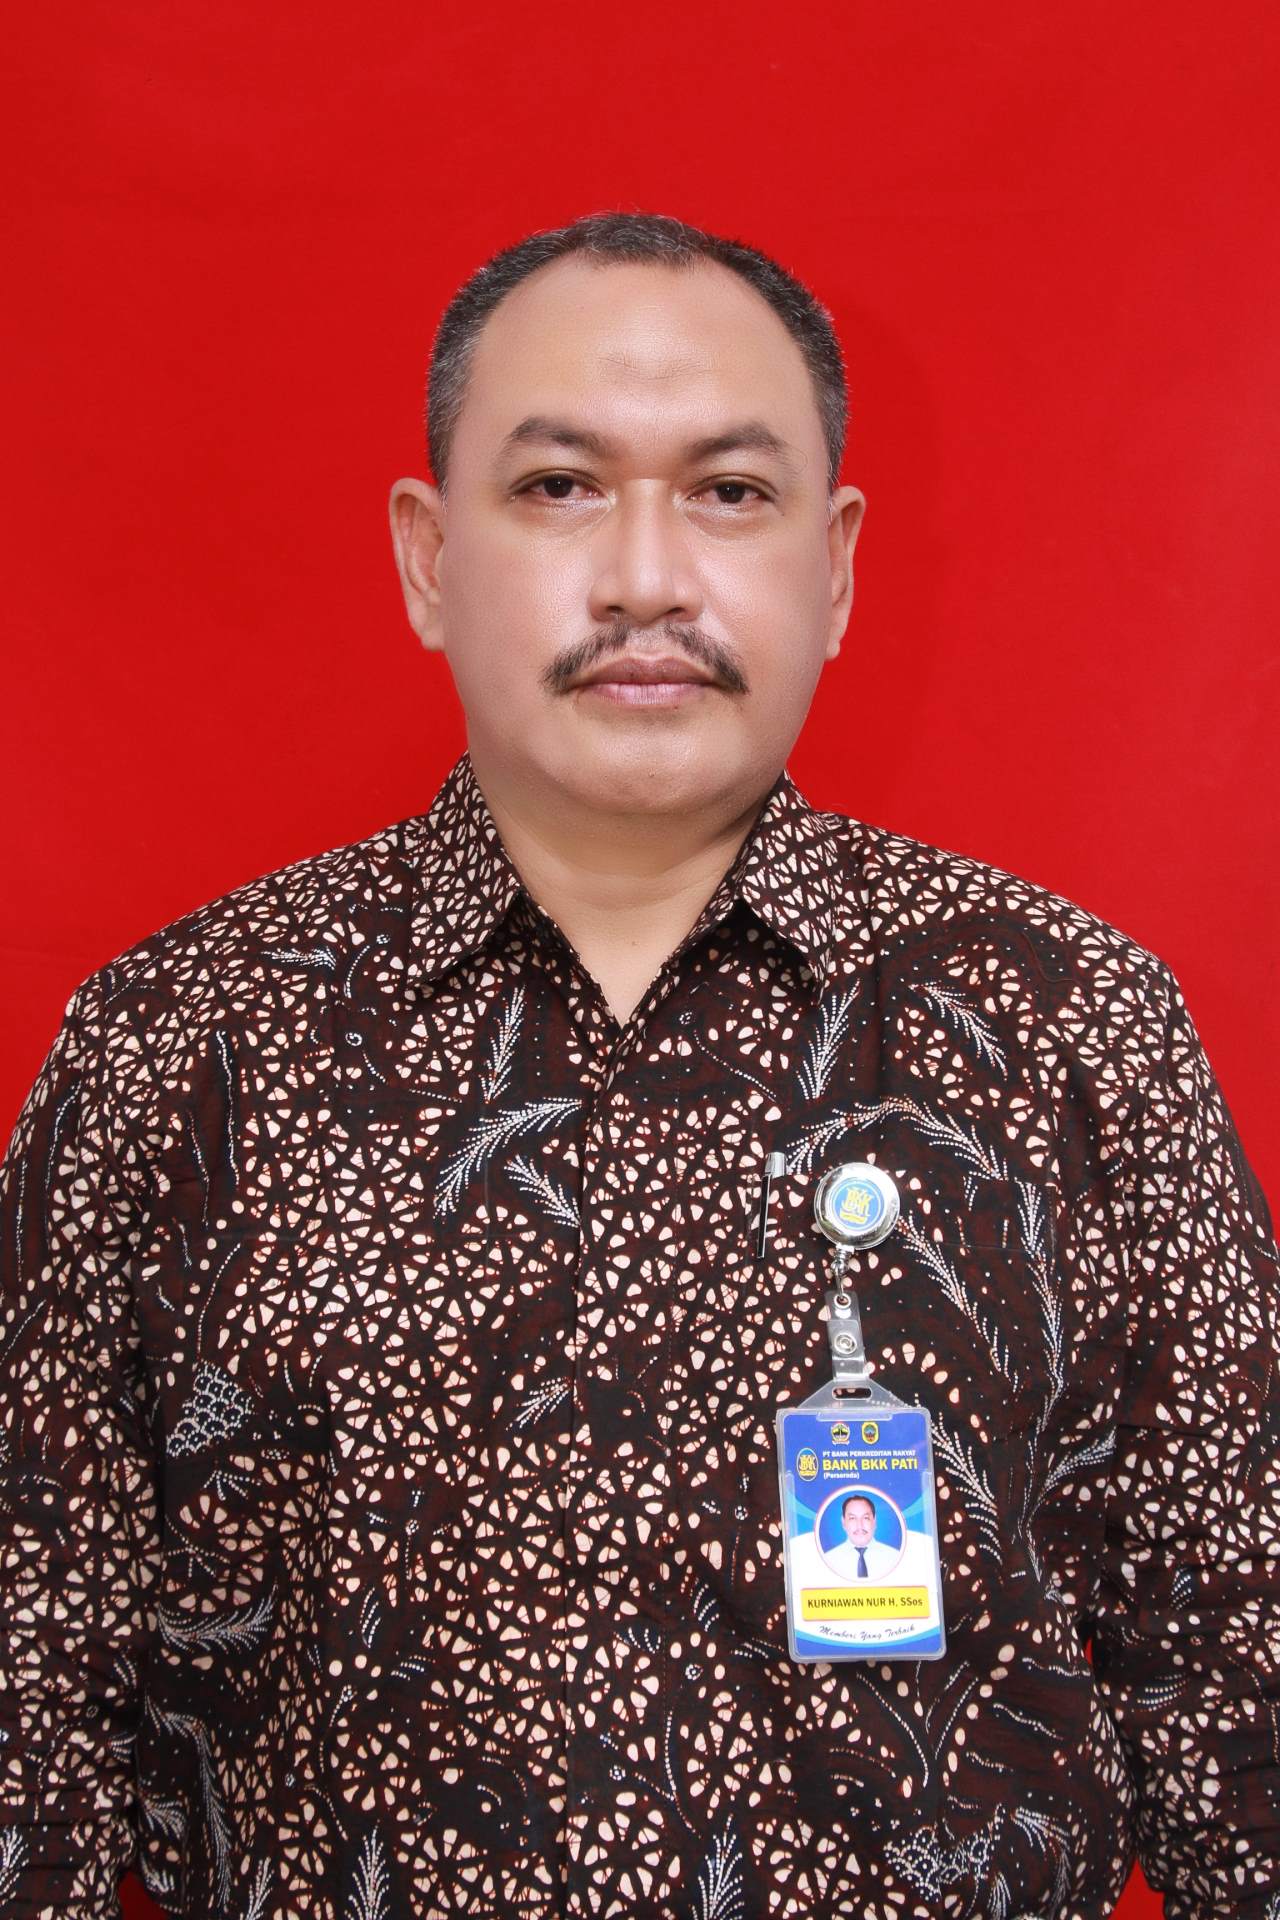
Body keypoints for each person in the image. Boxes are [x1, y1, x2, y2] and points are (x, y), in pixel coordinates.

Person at [1, 210, 1277, 1919]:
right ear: (428, 557)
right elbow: (30, 1715)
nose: (647, 579)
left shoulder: (1065, 1031)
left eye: (729, 492)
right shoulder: (180, 1049)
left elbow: (1243, 1685)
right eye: (560, 487)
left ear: (835, 566)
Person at [822, 1495, 900, 1582]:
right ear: (843, 1523)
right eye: (852, 1518)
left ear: (874, 1521)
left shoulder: (895, 1557)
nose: (860, 1525)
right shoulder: (828, 1560)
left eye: (866, 1518)